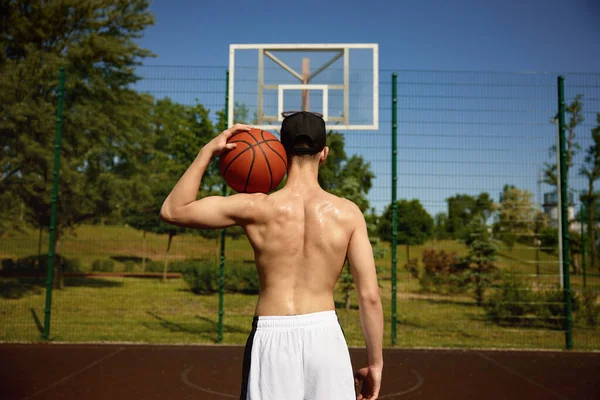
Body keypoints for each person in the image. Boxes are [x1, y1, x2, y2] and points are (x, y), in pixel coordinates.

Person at [159, 111, 384, 400]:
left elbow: (173, 210)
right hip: (326, 337)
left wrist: (208, 151)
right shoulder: (348, 213)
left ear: (281, 150)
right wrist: (375, 363)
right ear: (324, 153)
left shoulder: (256, 208)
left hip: (270, 336)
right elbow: (370, 296)